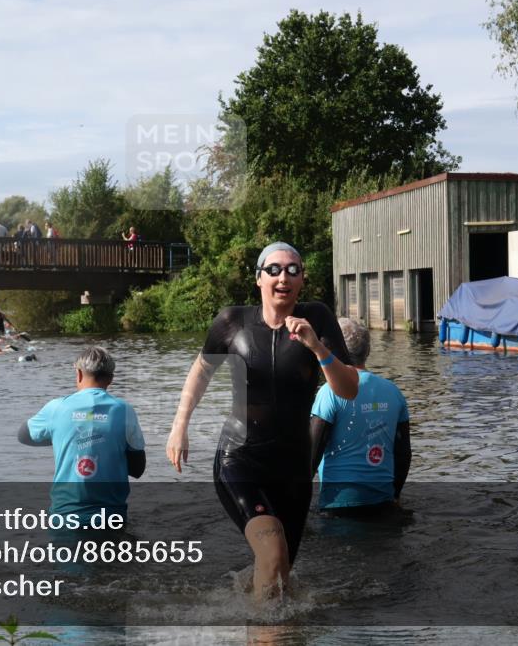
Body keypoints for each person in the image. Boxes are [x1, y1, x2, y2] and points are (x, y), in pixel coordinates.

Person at [165, 242, 358, 601]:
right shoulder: (231, 321)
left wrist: (318, 348)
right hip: (239, 459)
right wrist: (180, 426)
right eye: (274, 269)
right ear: (258, 279)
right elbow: (201, 371)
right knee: (272, 552)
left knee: (281, 577)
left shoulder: (317, 317)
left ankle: (262, 625)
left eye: (292, 270)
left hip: (293, 469)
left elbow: (349, 389)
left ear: (302, 280)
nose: (283, 276)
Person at [18, 347, 146, 519]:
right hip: (111, 516)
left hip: (65, 516)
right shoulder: (124, 410)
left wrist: (62, 437)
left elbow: (23, 436)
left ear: (78, 373)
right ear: (110, 379)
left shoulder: (56, 407)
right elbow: (138, 469)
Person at [311, 318, 411, 514]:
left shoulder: (329, 392)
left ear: (333, 351)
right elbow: (403, 455)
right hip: (383, 502)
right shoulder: (394, 392)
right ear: (368, 351)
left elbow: (311, 455)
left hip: (338, 504)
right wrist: (395, 495)